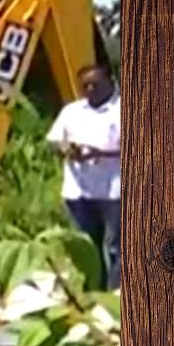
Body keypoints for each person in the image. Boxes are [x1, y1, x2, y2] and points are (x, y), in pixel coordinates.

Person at [46, 63, 121, 290]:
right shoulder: (72, 111)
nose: (90, 90)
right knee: (87, 247)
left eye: (95, 84)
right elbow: (53, 141)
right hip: (78, 191)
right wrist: (66, 149)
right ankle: (93, 293)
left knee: (115, 247)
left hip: (114, 191)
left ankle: (115, 294)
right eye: (85, 86)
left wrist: (101, 153)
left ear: (110, 82)